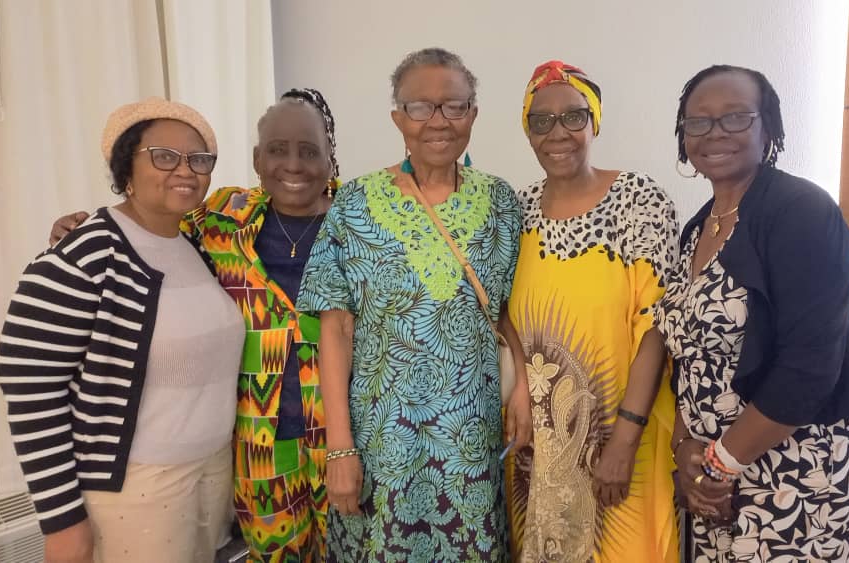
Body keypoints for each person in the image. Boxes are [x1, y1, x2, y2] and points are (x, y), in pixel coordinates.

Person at [47, 88, 341, 563]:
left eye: (309, 151)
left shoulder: (360, 224)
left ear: (330, 160)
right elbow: (150, 227)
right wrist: (78, 227)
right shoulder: (221, 218)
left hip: (346, 435)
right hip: (257, 441)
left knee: (355, 548)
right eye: (277, 149)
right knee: (275, 555)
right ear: (256, 159)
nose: (293, 164)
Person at [295, 47, 531, 562]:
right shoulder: (355, 203)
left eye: (455, 106)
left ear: (473, 114)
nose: (438, 121)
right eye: (420, 107)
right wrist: (340, 447)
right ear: (398, 117)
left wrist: (523, 391)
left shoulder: (501, 201)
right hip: (381, 445)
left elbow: (506, 311)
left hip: (472, 445)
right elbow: (335, 331)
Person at [662, 65, 849, 562]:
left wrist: (721, 464)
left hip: (798, 485)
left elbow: (810, 366)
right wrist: (684, 450)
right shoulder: (698, 228)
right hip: (716, 487)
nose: (714, 132)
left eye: (735, 117)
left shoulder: (803, 212)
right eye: (698, 122)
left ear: (768, 127)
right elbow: (688, 357)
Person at [0, 98, 243, 563]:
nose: (185, 170)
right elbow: (28, 380)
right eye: (164, 156)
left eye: (198, 159)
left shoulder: (196, 245)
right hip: (133, 488)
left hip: (211, 471)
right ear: (126, 165)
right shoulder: (88, 252)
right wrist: (61, 519)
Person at [504, 60, 681, 563]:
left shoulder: (638, 201)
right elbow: (501, 314)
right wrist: (519, 388)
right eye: (541, 120)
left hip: (618, 436)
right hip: (534, 444)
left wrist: (624, 439)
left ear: (594, 122)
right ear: (527, 131)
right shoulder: (517, 210)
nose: (557, 132)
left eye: (573, 116)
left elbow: (656, 329)